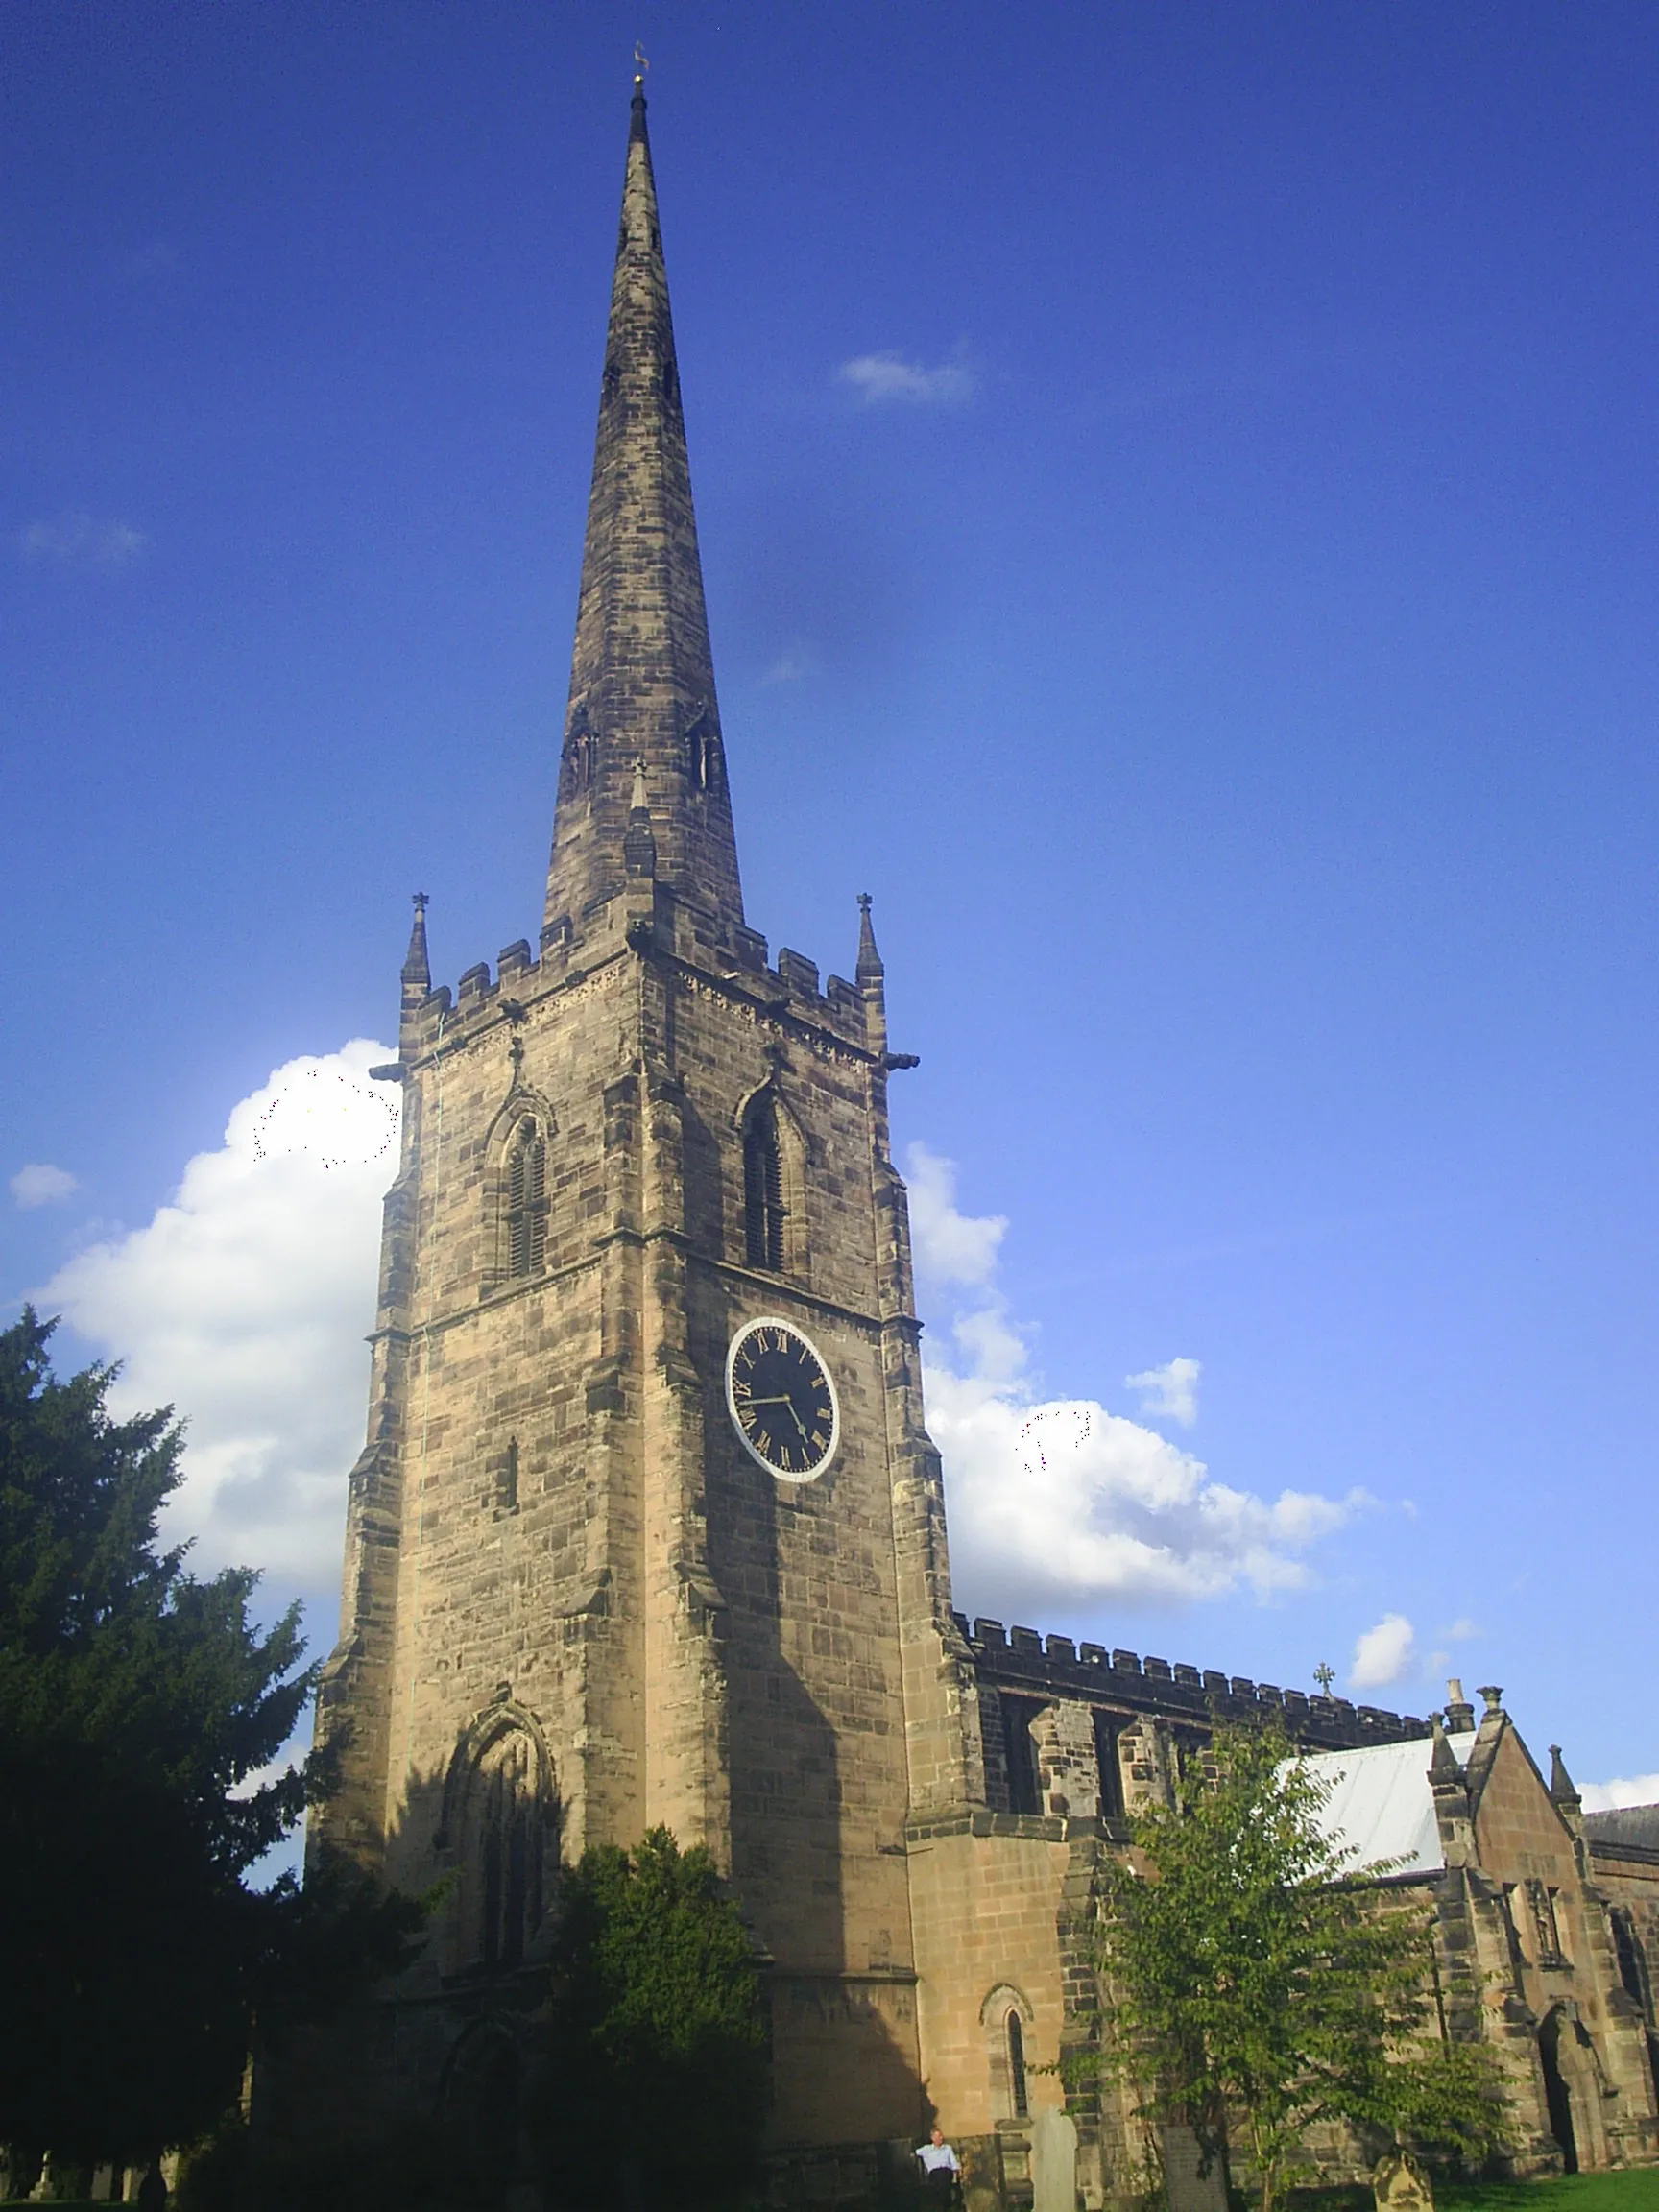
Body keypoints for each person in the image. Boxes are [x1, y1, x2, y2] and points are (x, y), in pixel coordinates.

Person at [915, 2125, 960, 2207]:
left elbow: (953, 2163)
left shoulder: (947, 2148)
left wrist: (956, 2172)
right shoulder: (926, 2149)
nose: (940, 2138)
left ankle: (942, 2203)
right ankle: (945, 2203)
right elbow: (914, 2153)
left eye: (941, 2136)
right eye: (938, 2136)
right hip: (934, 2173)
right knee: (939, 2179)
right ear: (932, 2138)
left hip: (946, 2172)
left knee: (943, 2177)